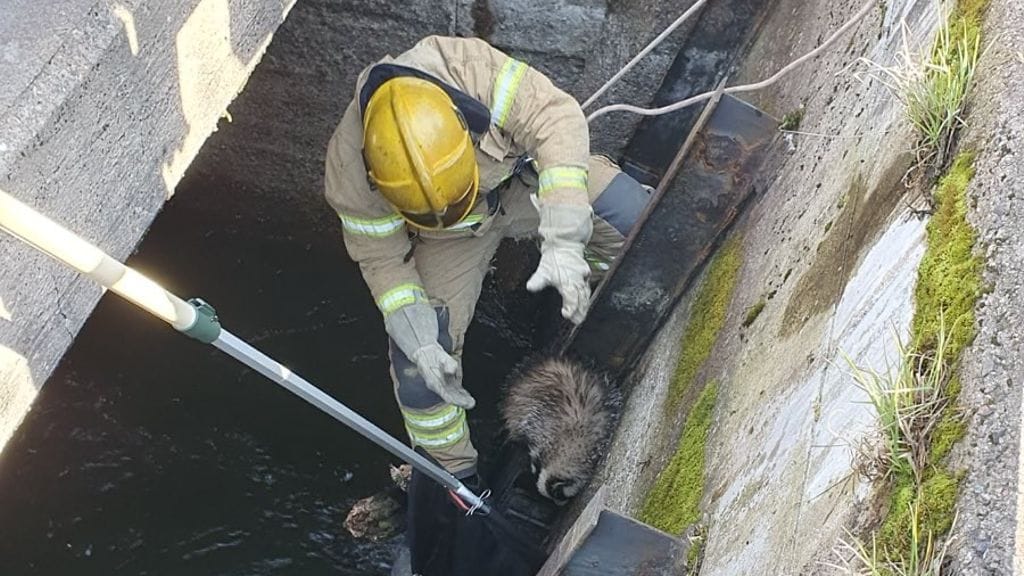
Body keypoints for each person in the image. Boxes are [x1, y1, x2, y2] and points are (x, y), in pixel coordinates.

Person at [324, 35, 649, 482]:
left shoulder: (472, 72)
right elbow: (382, 263)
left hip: (526, 184)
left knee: (638, 220)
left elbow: (557, 119)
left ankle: (598, 287)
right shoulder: (350, 176)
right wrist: (419, 339)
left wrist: (563, 232)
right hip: (453, 238)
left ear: (461, 125)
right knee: (420, 375)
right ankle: (455, 478)